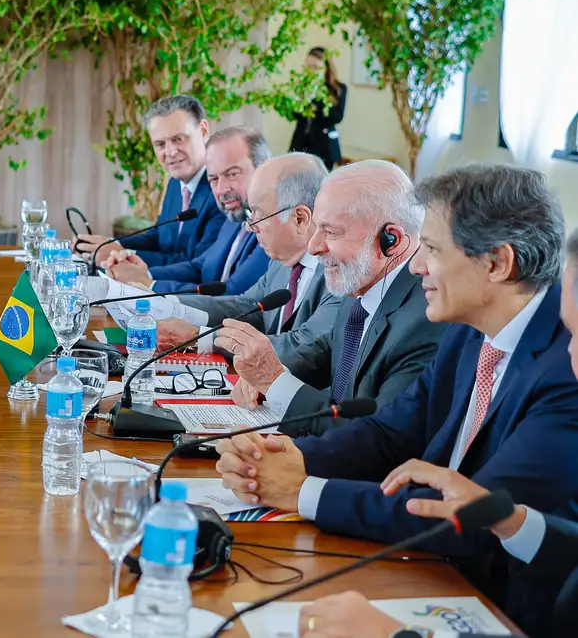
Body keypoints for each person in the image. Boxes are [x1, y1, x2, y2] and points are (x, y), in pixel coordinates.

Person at [214, 165, 578, 586]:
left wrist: (301, 491)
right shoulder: (469, 331)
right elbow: (392, 432)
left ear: (496, 262)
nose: (416, 264)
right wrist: (288, 458)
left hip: (494, 600)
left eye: (433, 250)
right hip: (423, 566)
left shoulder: (565, 369)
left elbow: (470, 516)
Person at [300, 229, 578, 638]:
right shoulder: (468, 331)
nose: (570, 355)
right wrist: (512, 520)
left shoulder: (559, 377)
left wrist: (395, 636)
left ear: (497, 262)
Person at [215, 160, 444, 436]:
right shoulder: (362, 285)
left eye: (331, 232)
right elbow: (325, 350)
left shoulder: (427, 320)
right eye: (317, 229)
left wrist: (275, 382)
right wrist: (268, 375)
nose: (313, 247)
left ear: (391, 240)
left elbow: (374, 436)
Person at [156, 152, 341, 358]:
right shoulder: (281, 262)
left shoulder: (338, 271)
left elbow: (304, 346)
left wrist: (200, 338)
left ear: (299, 219)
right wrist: (164, 303)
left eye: (258, 214)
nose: (251, 228)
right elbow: (246, 307)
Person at [107, 127, 272, 295]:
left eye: (232, 174)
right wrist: (142, 273)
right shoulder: (237, 215)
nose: (221, 189)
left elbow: (231, 296)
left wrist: (150, 285)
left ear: (265, 167)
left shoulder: (273, 226)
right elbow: (201, 267)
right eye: (213, 179)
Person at [74, 94, 226, 268]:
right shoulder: (176, 183)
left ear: (204, 131)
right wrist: (108, 244)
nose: (170, 152)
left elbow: (196, 264)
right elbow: (159, 236)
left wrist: (123, 254)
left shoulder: (222, 190)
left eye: (178, 139)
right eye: (160, 144)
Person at [289, 47, 347, 170]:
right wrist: (302, 100)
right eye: (308, 66)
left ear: (326, 67)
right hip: (302, 143)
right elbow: (295, 115)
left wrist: (317, 99)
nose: (311, 70)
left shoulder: (338, 88)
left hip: (324, 145)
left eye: (316, 66)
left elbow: (337, 117)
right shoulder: (302, 86)